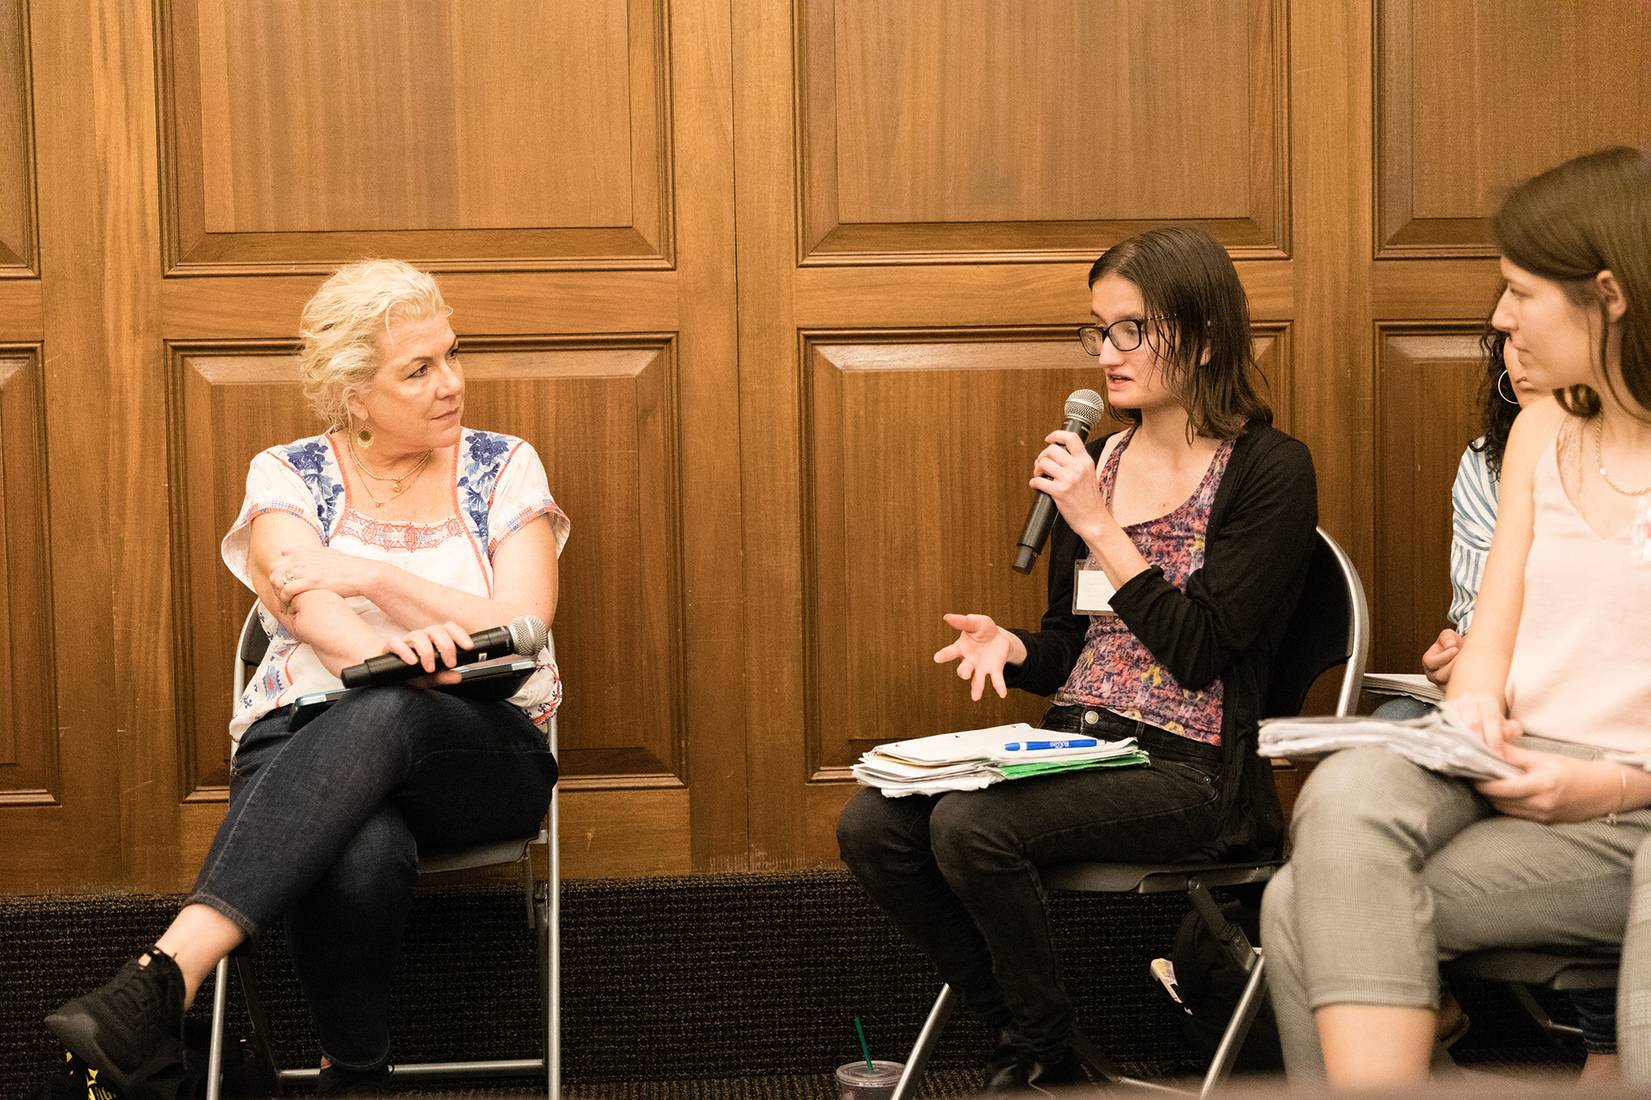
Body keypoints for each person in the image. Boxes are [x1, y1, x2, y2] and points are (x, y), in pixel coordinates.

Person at [45, 260, 568, 1096]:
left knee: (390, 709)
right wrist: (367, 624)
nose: (451, 384)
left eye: (452, 356)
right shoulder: (288, 474)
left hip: (480, 749)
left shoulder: (504, 467)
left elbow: (523, 620)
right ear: (354, 395)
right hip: (305, 741)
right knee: (360, 848)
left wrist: (375, 579)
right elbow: (310, 615)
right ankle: (355, 1074)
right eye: (419, 369)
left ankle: (162, 977)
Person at [836, 225, 1318, 1090]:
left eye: (1131, 328)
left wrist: (1098, 523)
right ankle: (1036, 1039)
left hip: (1195, 771)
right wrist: (1017, 646)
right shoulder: (1101, 461)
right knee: (873, 824)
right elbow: (1078, 644)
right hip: (1082, 746)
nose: (1107, 352)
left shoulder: (1269, 470)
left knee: (970, 826)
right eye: (1098, 329)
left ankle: (1037, 1055)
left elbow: (1201, 651)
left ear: (1205, 337)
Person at [1260, 145, 1651, 1088]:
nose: (1498, 317)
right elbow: (1492, 636)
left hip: (1628, 807)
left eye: (1519, 291)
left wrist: (1611, 788)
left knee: (1294, 905)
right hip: (1509, 760)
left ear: (1606, 293)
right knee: (1347, 791)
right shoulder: (1538, 429)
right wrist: (1474, 706)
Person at [1373, 322, 1622, 1071]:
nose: (1515, 350)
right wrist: (1455, 653)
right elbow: (1479, 608)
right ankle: (1423, 1000)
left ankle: (1606, 1045)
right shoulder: (1485, 462)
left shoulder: (1624, 461)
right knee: (1387, 731)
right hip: (1495, 693)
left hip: (1588, 712)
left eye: (1531, 326)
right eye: (1503, 337)